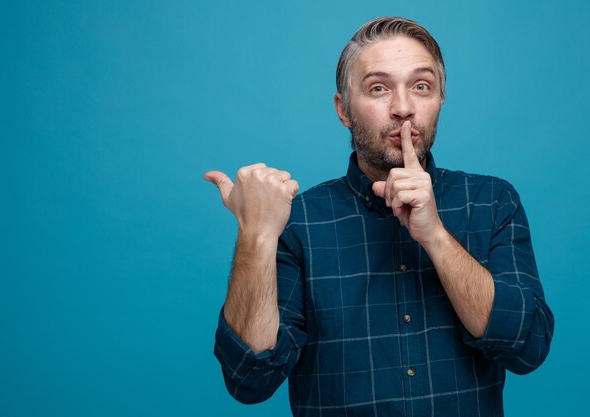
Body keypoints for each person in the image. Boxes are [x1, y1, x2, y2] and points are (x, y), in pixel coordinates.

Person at [204, 16, 554, 417]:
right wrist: (257, 237)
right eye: (378, 88)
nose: (403, 108)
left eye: (421, 86)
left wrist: (436, 237)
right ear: (344, 110)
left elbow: (528, 348)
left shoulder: (492, 202)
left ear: (440, 99)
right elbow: (249, 380)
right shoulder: (296, 222)